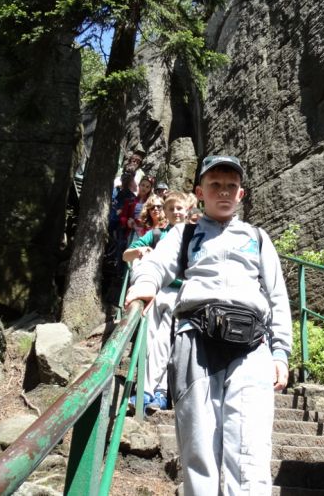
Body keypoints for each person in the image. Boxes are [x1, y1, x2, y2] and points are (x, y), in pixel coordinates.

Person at [124, 155, 292, 494]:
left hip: (251, 345)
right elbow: (155, 264)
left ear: (241, 194)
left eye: (231, 185)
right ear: (200, 192)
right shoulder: (184, 234)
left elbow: (277, 296)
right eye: (215, 185)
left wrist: (281, 353)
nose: (224, 191)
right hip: (196, 340)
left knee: (251, 449)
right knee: (199, 447)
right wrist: (144, 284)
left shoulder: (257, 238)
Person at [124, 191, 193, 411]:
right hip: (157, 290)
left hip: (179, 294)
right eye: (171, 209)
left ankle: (156, 392)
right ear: (166, 212)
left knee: (165, 340)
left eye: (179, 208)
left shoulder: (194, 235)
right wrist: (139, 250)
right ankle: (146, 390)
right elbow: (127, 255)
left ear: (187, 210)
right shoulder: (157, 234)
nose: (176, 212)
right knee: (149, 339)